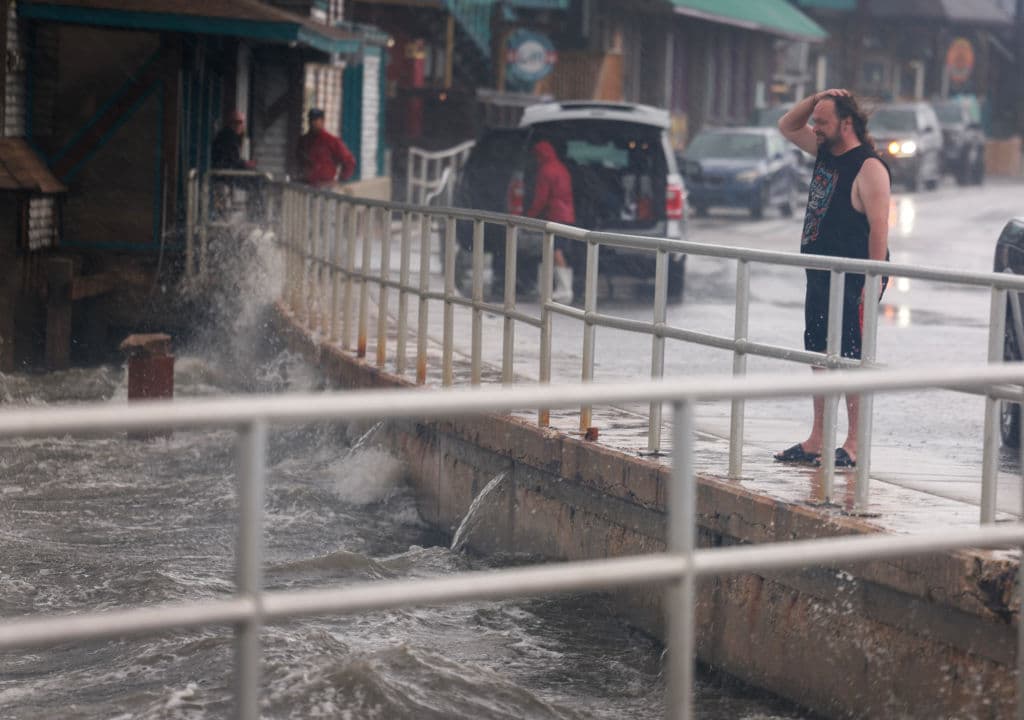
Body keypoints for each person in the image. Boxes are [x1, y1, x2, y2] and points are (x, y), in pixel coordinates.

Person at [774, 89, 891, 469]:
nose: (816, 128)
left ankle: (854, 442)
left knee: (850, 354)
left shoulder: (868, 167)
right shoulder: (826, 151)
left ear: (846, 124)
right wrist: (815, 99)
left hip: (856, 274)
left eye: (823, 122)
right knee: (819, 351)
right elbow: (787, 125)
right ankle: (818, 439)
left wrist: (872, 280)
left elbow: (879, 229)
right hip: (821, 270)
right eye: (816, 122)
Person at [524, 140, 576, 303]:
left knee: (556, 250)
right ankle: (561, 287)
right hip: (568, 213)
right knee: (559, 249)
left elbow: (541, 197)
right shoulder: (561, 167)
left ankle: (564, 288)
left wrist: (531, 214)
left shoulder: (546, 170)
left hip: (556, 214)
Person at [297, 108, 356, 188]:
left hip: (326, 188)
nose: (313, 123)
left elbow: (349, 161)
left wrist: (341, 180)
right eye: (311, 120)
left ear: (323, 121)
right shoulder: (303, 141)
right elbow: (298, 161)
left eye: (316, 120)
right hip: (306, 186)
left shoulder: (332, 141)